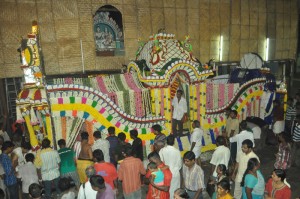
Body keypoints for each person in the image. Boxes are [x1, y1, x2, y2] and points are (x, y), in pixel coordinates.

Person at [159, 135, 182, 199]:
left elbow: (160, 162)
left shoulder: (162, 150)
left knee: (166, 190)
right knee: (175, 191)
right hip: (175, 173)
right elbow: (179, 165)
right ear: (174, 142)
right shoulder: (177, 151)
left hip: (165, 173)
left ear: (166, 141)